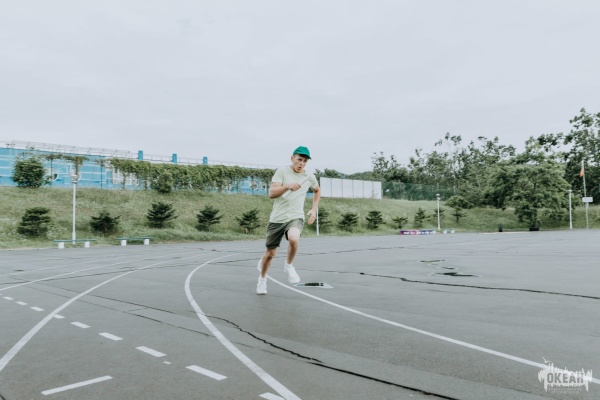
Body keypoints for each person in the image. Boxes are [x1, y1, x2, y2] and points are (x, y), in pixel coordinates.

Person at [257, 146, 320, 295]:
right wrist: (287, 186)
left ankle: (289, 265)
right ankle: (262, 279)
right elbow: (272, 193)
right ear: (292, 158)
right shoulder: (282, 172)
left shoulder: (309, 177)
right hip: (277, 219)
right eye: (299, 159)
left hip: (295, 216)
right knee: (270, 255)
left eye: (305, 161)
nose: (302, 163)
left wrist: (314, 209)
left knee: (294, 238)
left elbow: (317, 190)